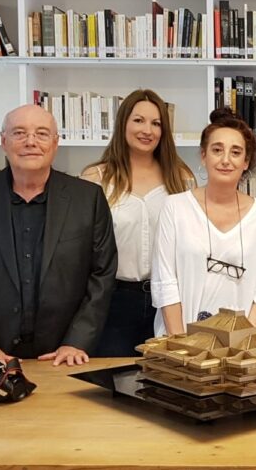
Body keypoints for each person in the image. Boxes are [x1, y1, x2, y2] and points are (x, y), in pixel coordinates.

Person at [0, 104, 118, 368]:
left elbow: (102, 275)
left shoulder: (88, 198)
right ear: (3, 141)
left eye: (42, 134)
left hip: (64, 357)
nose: (30, 142)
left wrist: (76, 341)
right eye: (19, 133)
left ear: (56, 143)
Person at [81, 89, 197, 357]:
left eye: (156, 123)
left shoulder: (181, 178)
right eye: (138, 120)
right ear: (123, 123)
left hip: (168, 301)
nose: (148, 130)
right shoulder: (96, 177)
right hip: (113, 300)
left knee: (167, 382)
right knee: (112, 385)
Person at [150, 109, 256, 335]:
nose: (225, 160)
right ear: (203, 155)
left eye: (236, 152)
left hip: (243, 349)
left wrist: (241, 342)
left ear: (246, 162)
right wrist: (182, 346)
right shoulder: (175, 208)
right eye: (217, 150)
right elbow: (165, 284)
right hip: (180, 342)